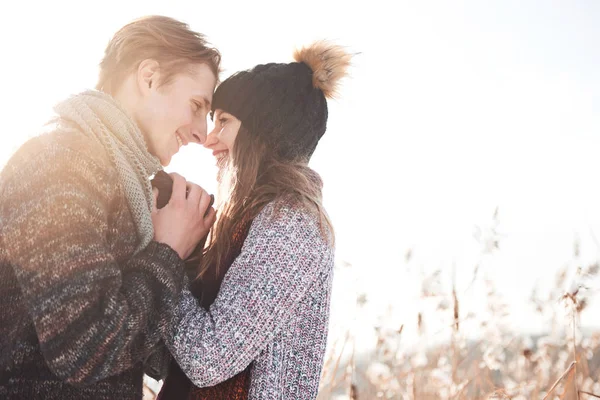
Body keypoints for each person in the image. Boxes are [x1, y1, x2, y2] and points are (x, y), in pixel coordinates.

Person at [0, 15, 219, 400]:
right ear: (149, 77)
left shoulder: (125, 181)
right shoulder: (58, 162)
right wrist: (167, 251)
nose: (202, 132)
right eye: (196, 105)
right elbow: (85, 348)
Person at [157, 41, 351, 399]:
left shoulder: (291, 225)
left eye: (225, 122)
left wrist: (165, 257)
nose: (210, 139)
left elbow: (208, 357)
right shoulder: (251, 219)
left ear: (264, 133)